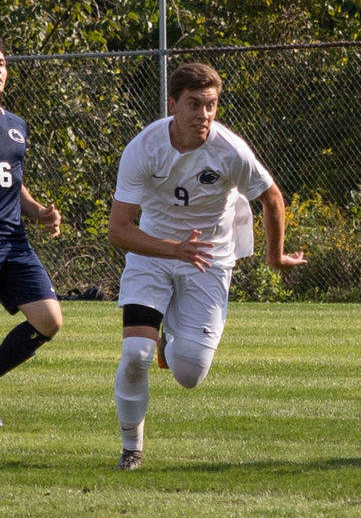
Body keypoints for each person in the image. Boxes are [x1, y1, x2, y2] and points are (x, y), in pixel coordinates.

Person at [108, 62, 307, 469]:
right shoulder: (144, 148)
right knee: (135, 354)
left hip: (210, 258)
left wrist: (275, 257)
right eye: (195, 105)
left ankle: (172, 343)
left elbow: (271, 198)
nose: (204, 115)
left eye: (211, 106)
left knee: (189, 374)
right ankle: (132, 448)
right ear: (173, 104)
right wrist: (172, 249)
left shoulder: (230, 150)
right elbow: (119, 230)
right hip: (153, 252)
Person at [0, 39, 64, 427]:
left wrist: (39, 211)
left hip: (13, 241)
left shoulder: (15, 126)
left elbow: (13, 182)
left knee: (49, 320)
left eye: (2, 63)